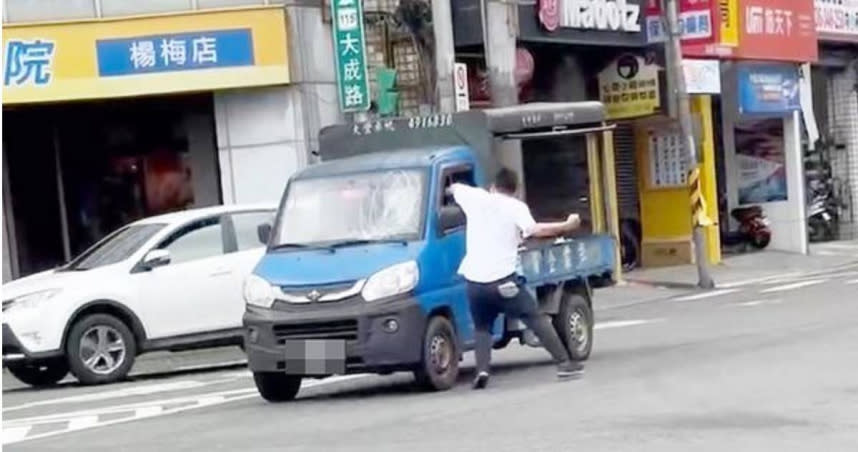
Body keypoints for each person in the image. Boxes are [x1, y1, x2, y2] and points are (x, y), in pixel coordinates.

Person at [449, 167, 584, 389]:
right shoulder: (516, 207)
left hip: (474, 283)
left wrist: (453, 188)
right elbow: (535, 230)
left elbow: (453, 188)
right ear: (516, 190)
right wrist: (566, 225)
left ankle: (482, 371)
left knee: (482, 327)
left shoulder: (474, 197)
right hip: (503, 281)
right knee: (535, 318)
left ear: (493, 186)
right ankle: (564, 364)